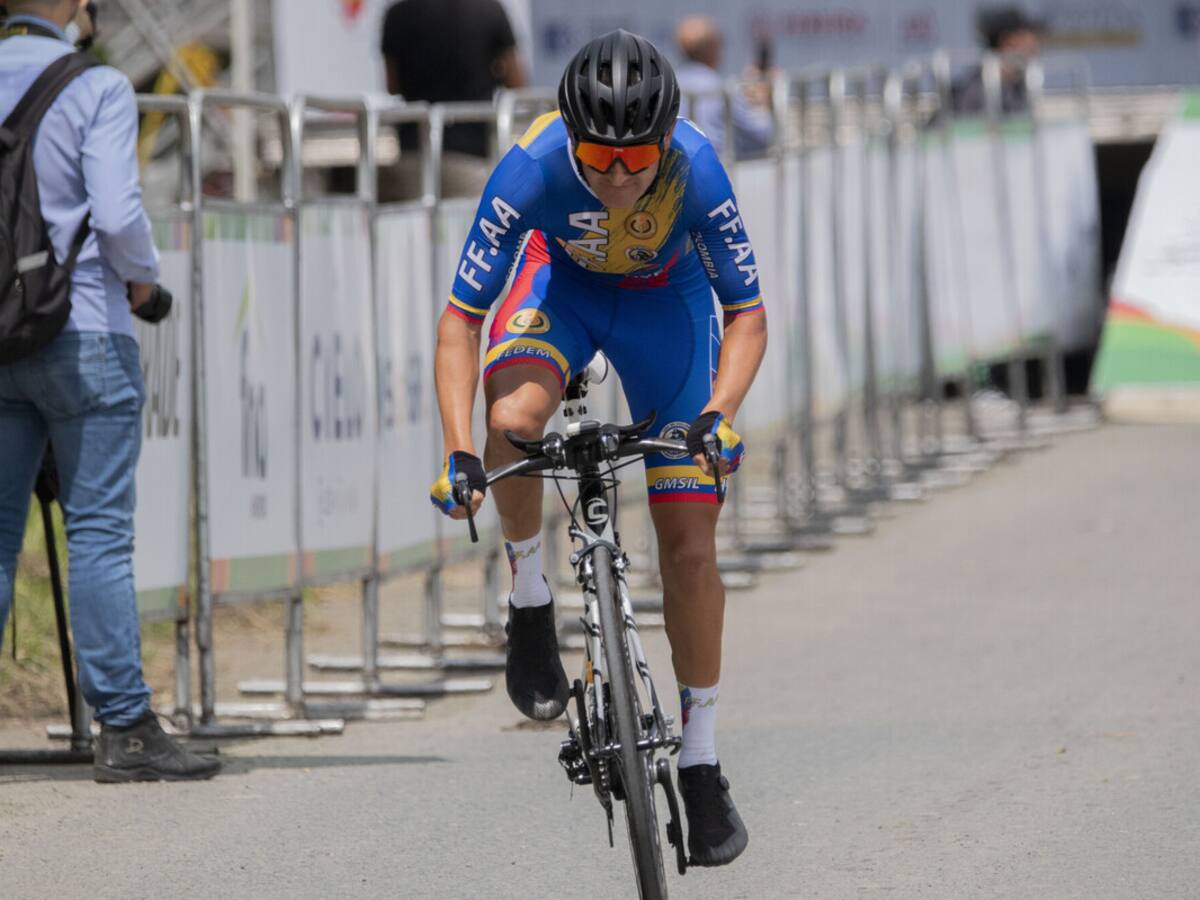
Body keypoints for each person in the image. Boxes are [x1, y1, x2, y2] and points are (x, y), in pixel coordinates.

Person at [429, 29, 765, 867]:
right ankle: (530, 593)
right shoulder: (530, 168)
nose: (617, 175)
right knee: (515, 418)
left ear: (666, 141)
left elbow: (747, 314)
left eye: (636, 159)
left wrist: (721, 410)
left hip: (668, 308)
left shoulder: (699, 168)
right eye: (597, 156)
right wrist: (459, 450)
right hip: (562, 289)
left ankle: (701, 756)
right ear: (569, 135)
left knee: (689, 552)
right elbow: (460, 322)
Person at [0, 0, 219, 782]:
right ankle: (124, 726)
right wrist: (143, 284)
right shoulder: (94, 87)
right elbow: (120, 212)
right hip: (83, 325)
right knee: (95, 532)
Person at [379, 0, 526, 197]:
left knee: (418, 225)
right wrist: (494, 72)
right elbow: (516, 82)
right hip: (471, 157)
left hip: (413, 155)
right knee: (473, 225)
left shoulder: (397, 13)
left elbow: (392, 85)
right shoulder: (489, 9)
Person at [674, 15, 773, 159]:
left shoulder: (669, 87)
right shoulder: (722, 90)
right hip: (717, 173)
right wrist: (762, 104)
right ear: (712, 49)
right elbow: (763, 135)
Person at [952, 5, 1044, 114]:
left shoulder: (1016, 85)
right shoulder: (978, 91)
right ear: (1009, 41)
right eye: (1029, 35)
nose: (1036, 44)